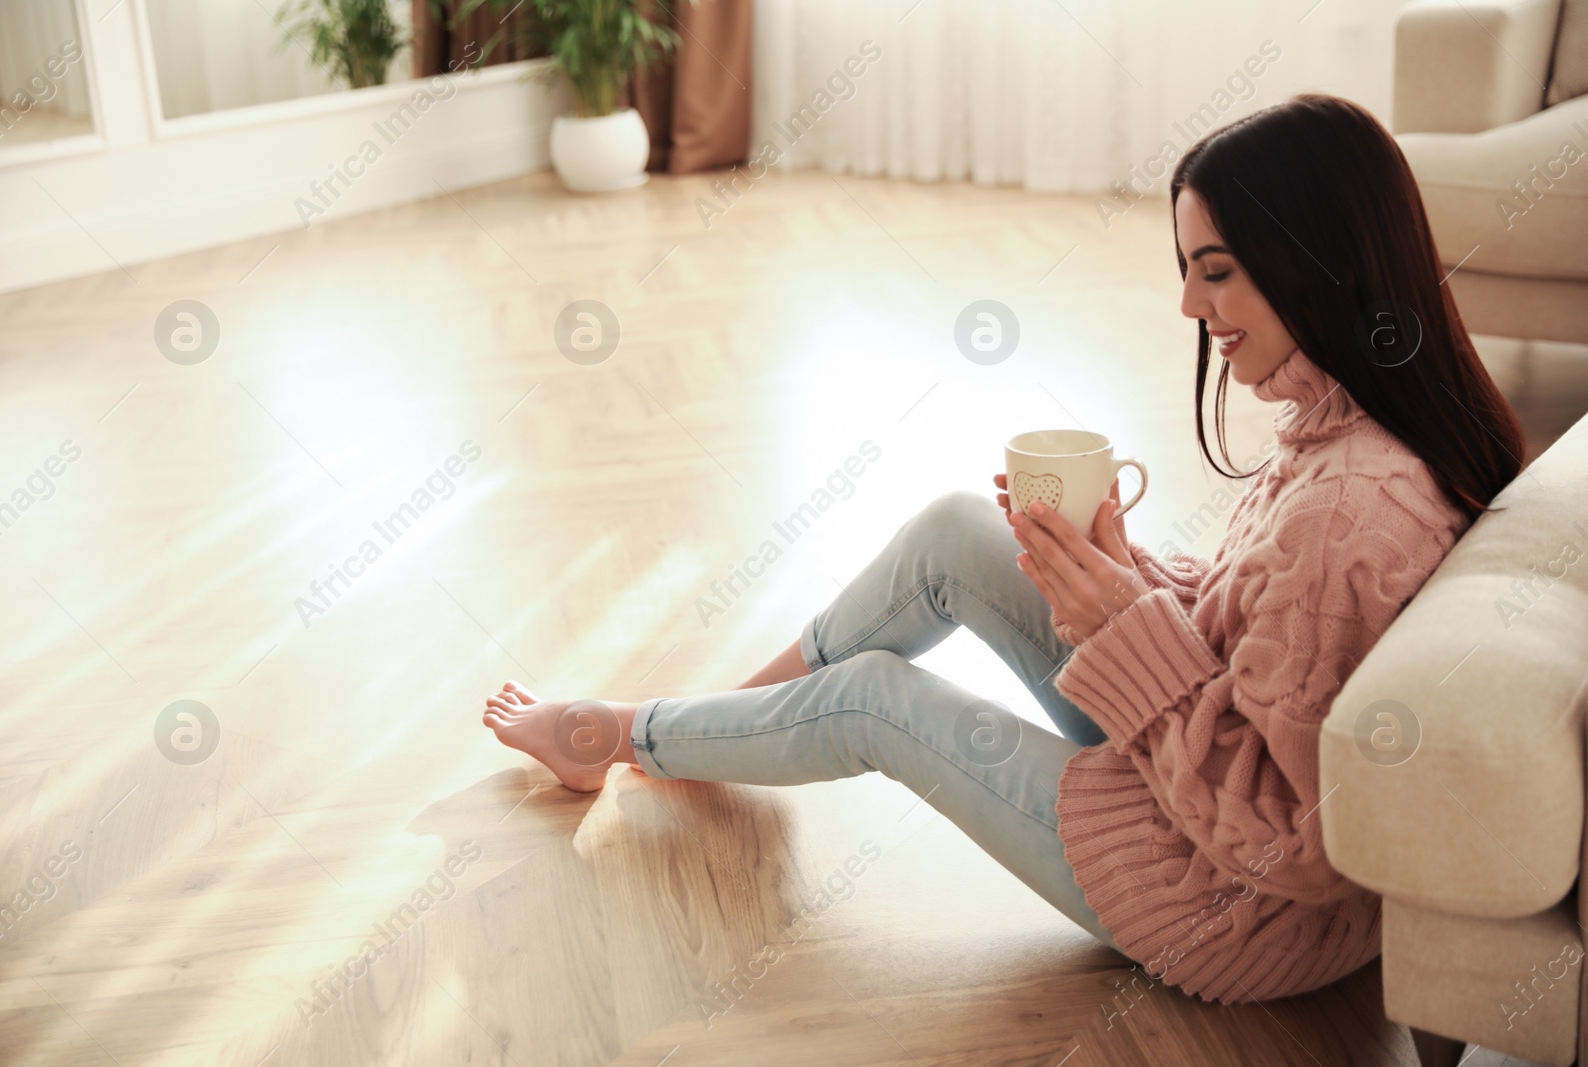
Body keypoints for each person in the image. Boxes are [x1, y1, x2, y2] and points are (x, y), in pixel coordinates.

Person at [481, 92, 1525, 1003]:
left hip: (1226, 905)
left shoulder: (1350, 506)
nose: (1187, 306)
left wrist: (1123, 618)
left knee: (874, 699)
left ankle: (618, 732)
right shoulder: (1351, 428)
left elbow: (1292, 840)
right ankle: (723, 720)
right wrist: (1130, 574)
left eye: (1216, 270)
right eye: (1186, 269)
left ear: (1316, 262)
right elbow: (1256, 644)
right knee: (954, 528)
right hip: (1185, 793)